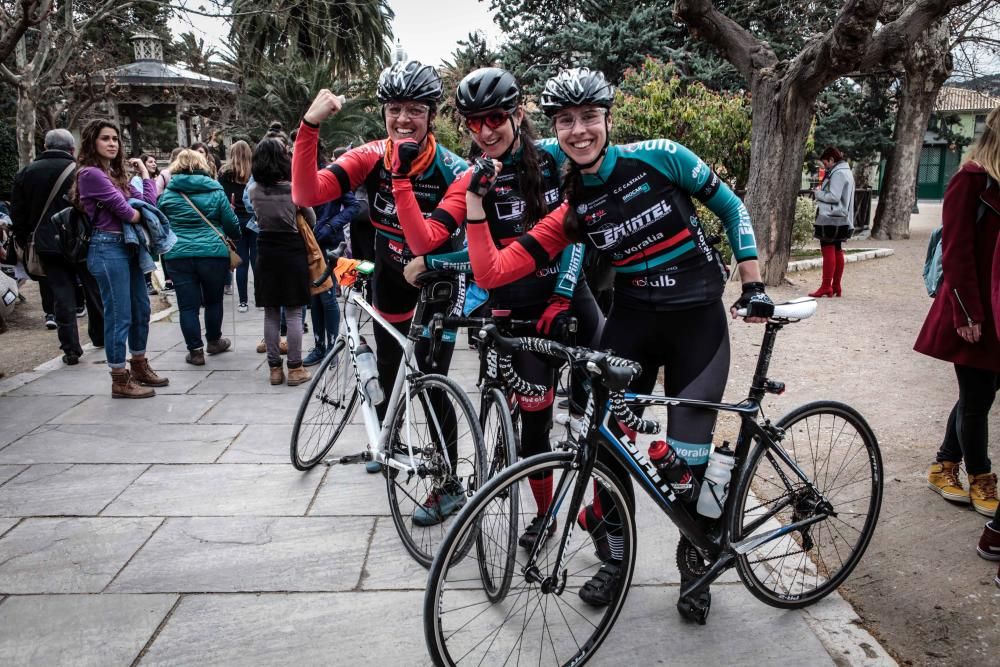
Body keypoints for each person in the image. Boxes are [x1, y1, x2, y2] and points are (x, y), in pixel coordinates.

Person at [463, 67, 772, 619]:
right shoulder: (574, 203)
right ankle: (614, 558)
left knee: (685, 467)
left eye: (588, 118)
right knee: (604, 444)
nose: (578, 131)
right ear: (554, 127)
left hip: (696, 325)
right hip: (631, 323)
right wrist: (477, 207)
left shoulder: (662, 156)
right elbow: (492, 273)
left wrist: (752, 284)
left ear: (607, 118)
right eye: (565, 121)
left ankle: (695, 562)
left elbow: (731, 207)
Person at [401, 67, 602, 537]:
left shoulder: (555, 158)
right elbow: (461, 249)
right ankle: (545, 515)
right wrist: (432, 261)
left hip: (572, 298)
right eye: (474, 123)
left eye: (494, 118)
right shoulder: (473, 178)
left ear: (517, 113)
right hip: (516, 310)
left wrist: (564, 292)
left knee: (599, 417)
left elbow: (575, 233)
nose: (486, 131)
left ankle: (603, 519)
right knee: (535, 429)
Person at [293, 60, 469, 505]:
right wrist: (309, 125)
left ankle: (448, 483)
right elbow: (306, 194)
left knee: (431, 383)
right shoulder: (371, 156)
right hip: (388, 274)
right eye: (395, 108)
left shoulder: (452, 169)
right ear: (383, 112)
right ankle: (391, 441)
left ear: (432, 115)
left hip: (439, 282)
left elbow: (454, 241)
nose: (404, 119)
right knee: (390, 372)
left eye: (415, 109)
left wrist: (433, 259)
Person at [916, 107, 999, 536]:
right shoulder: (971, 178)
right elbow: (957, 251)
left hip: (999, 310)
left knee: (979, 393)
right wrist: (968, 314)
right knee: (977, 395)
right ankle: (980, 475)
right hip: (973, 311)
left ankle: (944, 463)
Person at [75, 119, 169, 398]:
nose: (112, 143)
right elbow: (130, 213)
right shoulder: (90, 174)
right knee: (119, 315)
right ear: (92, 142)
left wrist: (144, 173)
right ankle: (119, 377)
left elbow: (148, 204)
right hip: (106, 247)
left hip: (128, 247)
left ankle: (138, 364)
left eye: (115, 139)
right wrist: (137, 209)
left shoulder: (114, 175)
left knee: (141, 310)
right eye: (105, 138)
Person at [10, 129, 104, 364]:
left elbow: (17, 213)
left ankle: (70, 347)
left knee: (61, 294)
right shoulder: (82, 172)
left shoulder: (26, 172)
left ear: (44, 146)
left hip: (45, 240)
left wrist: (24, 239)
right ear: (72, 149)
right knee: (93, 289)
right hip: (82, 238)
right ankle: (99, 335)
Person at [157, 149, 240, 365]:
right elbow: (232, 225)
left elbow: (159, 225)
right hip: (213, 254)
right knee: (213, 301)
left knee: (187, 306)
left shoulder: (168, 195)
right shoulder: (215, 191)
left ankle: (195, 351)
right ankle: (214, 341)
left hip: (178, 255)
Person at [249, 137, 311, 386]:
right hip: (291, 248)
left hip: (265, 248)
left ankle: (275, 369)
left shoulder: (253, 190)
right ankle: (295, 368)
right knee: (295, 312)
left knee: (271, 311)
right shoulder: (293, 190)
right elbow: (311, 219)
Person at [303, 147, 358, 366]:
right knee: (315, 297)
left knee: (326, 296)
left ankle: (332, 347)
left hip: (328, 244)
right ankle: (319, 346)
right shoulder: (297, 177)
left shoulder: (332, 174)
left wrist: (331, 225)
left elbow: (353, 206)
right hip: (307, 243)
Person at [809, 146, 855, 297]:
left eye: (826, 163)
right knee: (837, 249)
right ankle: (835, 286)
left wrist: (818, 193)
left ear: (832, 160)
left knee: (828, 249)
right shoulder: (846, 171)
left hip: (830, 217)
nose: (825, 166)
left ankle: (826, 286)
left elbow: (834, 196)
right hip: (841, 217)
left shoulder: (838, 173)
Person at [219, 140, 255, 312]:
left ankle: (243, 301)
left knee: (241, 262)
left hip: (235, 219)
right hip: (254, 219)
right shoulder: (255, 171)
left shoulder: (224, 173)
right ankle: (261, 298)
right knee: (257, 261)